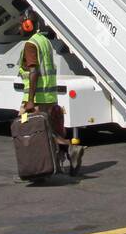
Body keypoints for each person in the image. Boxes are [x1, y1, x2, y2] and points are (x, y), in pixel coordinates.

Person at [16, 14, 84, 180]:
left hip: (36, 99)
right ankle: (57, 161)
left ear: (27, 25)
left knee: (27, 129)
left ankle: (37, 168)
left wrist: (30, 101)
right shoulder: (44, 41)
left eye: (20, 25)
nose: (18, 28)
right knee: (47, 131)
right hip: (49, 96)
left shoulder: (31, 44)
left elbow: (34, 72)